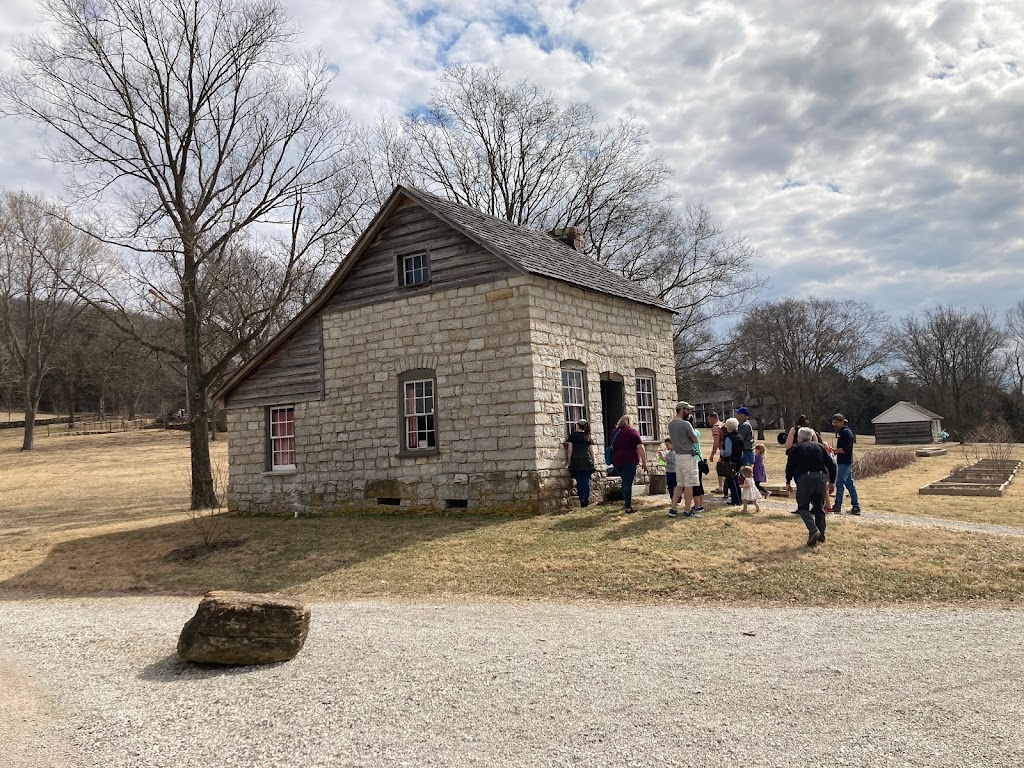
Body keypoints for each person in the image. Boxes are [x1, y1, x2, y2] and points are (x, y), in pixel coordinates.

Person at [785, 427, 838, 547]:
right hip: (820, 478)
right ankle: (821, 535)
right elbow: (831, 465)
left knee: (803, 507)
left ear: (799, 437)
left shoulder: (796, 448)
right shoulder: (820, 447)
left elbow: (790, 466)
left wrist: (788, 481)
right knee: (819, 508)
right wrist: (832, 481)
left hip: (805, 478)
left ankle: (814, 530)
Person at [667, 401, 701, 518]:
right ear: (682, 410)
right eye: (688, 410)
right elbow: (695, 439)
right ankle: (687, 510)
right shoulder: (686, 424)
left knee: (679, 484)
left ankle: (673, 508)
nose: (689, 412)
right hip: (687, 456)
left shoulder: (671, 424)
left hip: (678, 456)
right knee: (689, 484)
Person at [609, 414, 646, 514]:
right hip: (629, 459)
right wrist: (644, 462)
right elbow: (640, 448)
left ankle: (626, 503)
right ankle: (628, 507)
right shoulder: (632, 432)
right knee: (628, 483)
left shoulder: (614, 432)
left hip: (617, 460)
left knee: (624, 481)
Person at [831, 413, 861, 515]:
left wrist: (833, 450)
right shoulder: (841, 432)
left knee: (839, 483)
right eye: (833, 422)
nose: (835, 425)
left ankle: (837, 506)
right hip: (844, 461)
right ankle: (856, 507)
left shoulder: (846, 433)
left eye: (836, 422)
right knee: (850, 484)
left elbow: (845, 450)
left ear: (842, 421)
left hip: (845, 461)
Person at [564, 420, 597, 508]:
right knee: (586, 481)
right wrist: (593, 462)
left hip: (576, 460)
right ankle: (586, 499)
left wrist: (569, 462)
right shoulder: (587, 437)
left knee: (579, 481)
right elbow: (591, 452)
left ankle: (581, 500)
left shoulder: (572, 436)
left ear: (578, 426)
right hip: (586, 460)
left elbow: (570, 450)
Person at [719, 417, 744, 505]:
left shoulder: (729, 438)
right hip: (739, 461)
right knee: (736, 481)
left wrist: (721, 452)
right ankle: (739, 499)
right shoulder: (740, 437)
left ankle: (735, 500)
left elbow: (728, 452)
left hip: (730, 462)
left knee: (731, 481)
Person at [689, 413, 706, 515]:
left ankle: (697, 506)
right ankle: (701, 504)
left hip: (693, 459)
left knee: (695, 484)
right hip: (700, 459)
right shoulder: (697, 432)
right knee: (699, 482)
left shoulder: (690, 433)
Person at [707, 412, 726, 494]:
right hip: (728, 449)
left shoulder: (715, 427)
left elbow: (716, 443)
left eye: (708, 419)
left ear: (713, 418)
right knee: (722, 467)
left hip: (723, 451)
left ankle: (722, 487)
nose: (708, 421)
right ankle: (723, 486)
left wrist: (712, 454)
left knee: (720, 468)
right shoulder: (722, 424)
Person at [659, 438, 677, 502]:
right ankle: (672, 499)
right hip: (669, 472)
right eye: (666, 445)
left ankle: (678, 499)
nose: (667, 446)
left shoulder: (676, 453)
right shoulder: (668, 453)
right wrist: (661, 455)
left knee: (676, 487)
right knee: (670, 487)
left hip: (675, 472)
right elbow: (664, 460)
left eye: (668, 445)